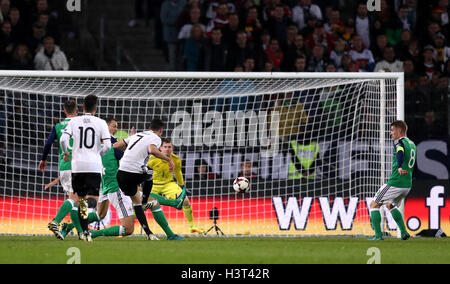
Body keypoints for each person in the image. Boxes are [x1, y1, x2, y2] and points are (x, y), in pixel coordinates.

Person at [113, 118, 186, 240]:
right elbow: (152, 150)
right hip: (132, 173)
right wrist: (168, 160)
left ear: (148, 128)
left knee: (140, 202)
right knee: (149, 172)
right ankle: (146, 200)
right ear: (161, 130)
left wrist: (131, 148)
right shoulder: (156, 138)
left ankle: (150, 233)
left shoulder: (137, 135)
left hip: (121, 174)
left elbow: (116, 145)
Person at [60, 94, 112, 242]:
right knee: (93, 201)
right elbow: (107, 145)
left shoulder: (74, 121)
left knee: (81, 200)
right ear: (96, 108)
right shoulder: (101, 122)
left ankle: (84, 233)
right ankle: (84, 232)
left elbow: (63, 139)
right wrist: (98, 153)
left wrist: (65, 153)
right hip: (93, 166)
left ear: (82, 107)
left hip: (77, 166)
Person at [40, 100, 82, 240]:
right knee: (76, 199)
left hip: (64, 166)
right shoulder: (80, 124)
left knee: (76, 201)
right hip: (79, 165)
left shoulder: (58, 126)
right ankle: (56, 222)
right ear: (77, 111)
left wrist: (43, 159)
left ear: (64, 111)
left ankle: (80, 233)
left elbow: (48, 144)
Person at [369, 120, 416, 241]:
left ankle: (378, 236)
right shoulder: (412, 144)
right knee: (390, 205)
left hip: (396, 182)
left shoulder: (400, 142)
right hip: (407, 184)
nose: (391, 133)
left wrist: (399, 166)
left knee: (374, 204)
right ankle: (404, 233)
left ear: (399, 130)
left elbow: (400, 152)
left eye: (392, 130)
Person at [146, 138, 204, 234]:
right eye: (165, 147)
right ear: (160, 148)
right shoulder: (152, 159)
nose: (167, 149)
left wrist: (182, 187)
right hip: (153, 185)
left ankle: (192, 226)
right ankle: (126, 227)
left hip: (169, 184)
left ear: (172, 148)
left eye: (169, 147)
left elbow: (178, 173)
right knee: (140, 205)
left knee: (185, 200)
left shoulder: (176, 159)